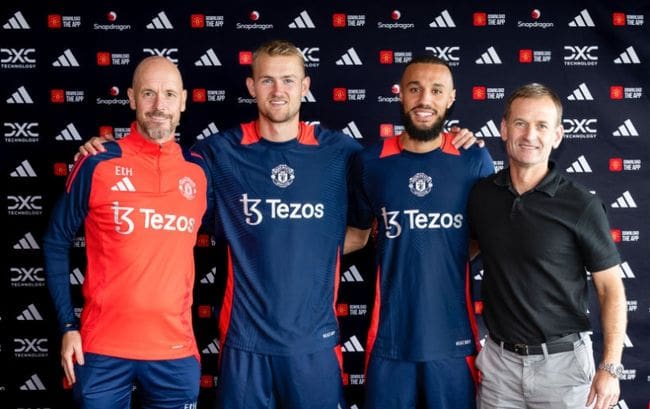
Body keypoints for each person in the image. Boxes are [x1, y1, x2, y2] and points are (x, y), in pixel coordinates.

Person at [77, 41, 479, 408]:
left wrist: (455, 142)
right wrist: (105, 150)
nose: (277, 91)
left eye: (288, 80)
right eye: (267, 80)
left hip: (314, 345)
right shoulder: (218, 153)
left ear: (304, 86)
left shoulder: (343, 153)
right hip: (244, 346)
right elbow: (157, 163)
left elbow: (387, 202)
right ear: (251, 87)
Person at [43, 56, 210, 408]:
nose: (159, 105)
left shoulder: (200, 171)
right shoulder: (98, 161)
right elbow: (56, 240)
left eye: (168, 94)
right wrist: (66, 326)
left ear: (183, 100)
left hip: (175, 351)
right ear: (132, 98)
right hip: (102, 349)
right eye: (148, 93)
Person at [345, 55, 494, 408]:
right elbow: (358, 233)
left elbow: (487, 235)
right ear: (401, 95)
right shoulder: (369, 163)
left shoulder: (473, 159)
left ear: (450, 98)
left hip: (453, 338)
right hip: (390, 337)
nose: (424, 99)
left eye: (435, 90)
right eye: (415, 89)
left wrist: (443, 250)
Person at [467, 83, 627, 409]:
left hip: (563, 368)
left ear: (557, 135)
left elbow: (611, 288)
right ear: (503, 128)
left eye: (542, 126)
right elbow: (461, 250)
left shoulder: (581, 204)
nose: (530, 135)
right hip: (500, 367)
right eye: (520, 123)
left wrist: (610, 367)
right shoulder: (481, 195)